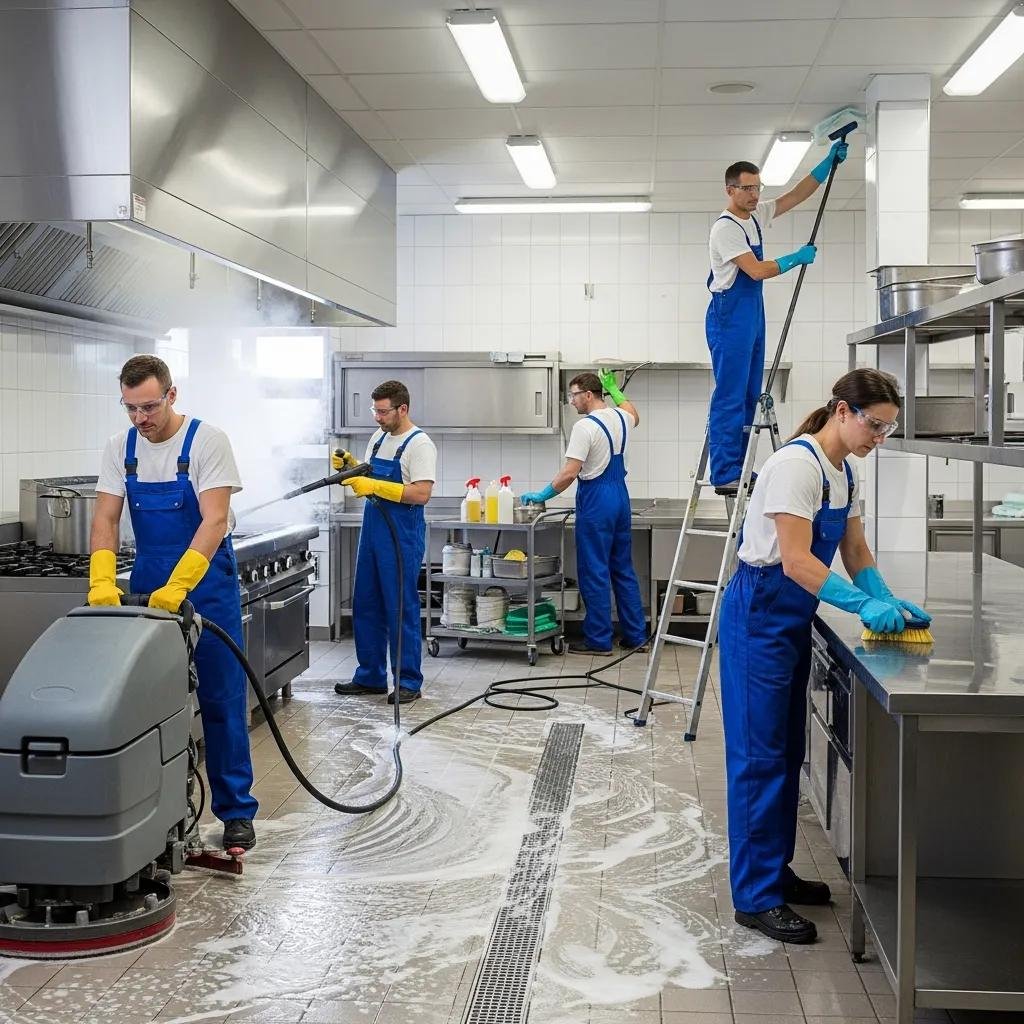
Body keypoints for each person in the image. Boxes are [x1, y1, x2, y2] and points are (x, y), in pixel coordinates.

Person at [719, 368, 931, 944]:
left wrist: (886, 597)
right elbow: (795, 561)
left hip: (789, 618)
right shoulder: (795, 466)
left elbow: (854, 548)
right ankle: (754, 898)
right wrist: (860, 604)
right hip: (758, 614)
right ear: (842, 410)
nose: (878, 438)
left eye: (887, 430)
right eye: (875, 425)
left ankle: (775, 873)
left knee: (786, 755)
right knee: (757, 758)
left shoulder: (845, 472)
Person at [89, 355, 258, 852]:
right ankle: (155, 812)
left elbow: (214, 520)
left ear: (171, 394)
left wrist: (180, 585)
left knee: (223, 700)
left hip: (204, 583)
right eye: (130, 408)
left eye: (149, 406)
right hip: (147, 584)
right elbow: (104, 519)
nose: (141, 418)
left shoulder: (208, 441)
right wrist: (101, 578)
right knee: (149, 706)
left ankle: (236, 814)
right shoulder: (120, 448)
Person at [707, 139, 848, 494]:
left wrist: (826, 164)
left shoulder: (754, 218)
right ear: (730, 189)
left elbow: (795, 197)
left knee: (750, 392)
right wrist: (795, 258)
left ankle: (740, 468)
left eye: (758, 188)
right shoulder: (726, 228)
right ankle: (724, 469)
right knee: (731, 393)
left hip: (752, 312)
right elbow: (754, 271)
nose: (755, 194)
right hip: (730, 315)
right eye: (748, 188)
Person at [521, 370, 647, 656]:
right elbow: (632, 412)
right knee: (623, 568)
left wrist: (543, 494)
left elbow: (569, 473)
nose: (572, 402)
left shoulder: (585, 427)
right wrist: (615, 389)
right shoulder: (620, 417)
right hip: (620, 497)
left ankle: (599, 641)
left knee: (595, 571)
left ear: (588, 395)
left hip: (597, 501)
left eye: (574, 395)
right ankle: (636, 636)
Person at [332, 380, 436, 704]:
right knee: (366, 601)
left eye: (382, 411)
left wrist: (375, 487)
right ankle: (371, 676)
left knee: (399, 606)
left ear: (402, 409)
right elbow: (368, 479)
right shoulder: (378, 439)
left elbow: (421, 493)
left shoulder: (420, 445)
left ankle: (408, 681)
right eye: (374, 410)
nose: (377, 417)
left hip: (401, 535)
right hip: (373, 530)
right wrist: (351, 469)